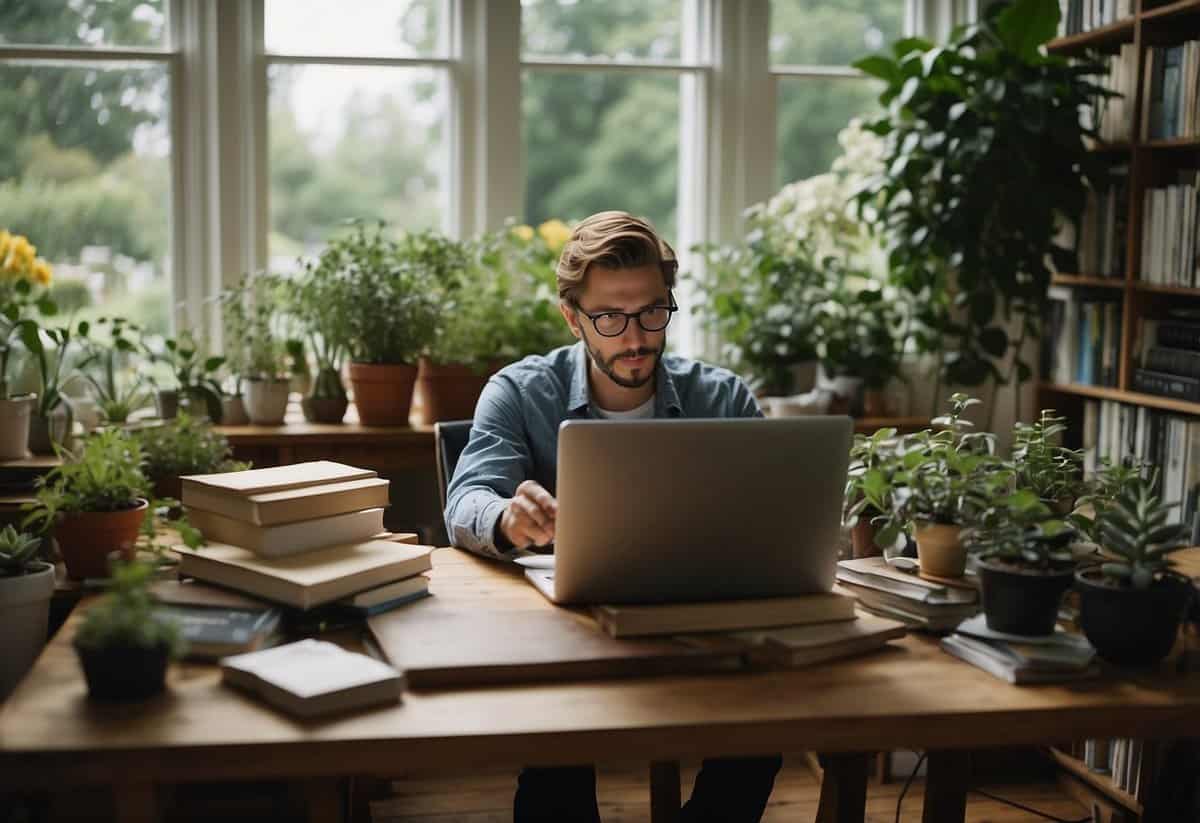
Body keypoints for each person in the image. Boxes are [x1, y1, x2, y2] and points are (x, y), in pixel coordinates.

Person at [444, 210, 781, 823]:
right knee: (556, 754)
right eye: (609, 318)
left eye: (653, 312)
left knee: (762, 736)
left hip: (699, 635)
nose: (635, 337)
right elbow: (465, 500)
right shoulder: (519, 392)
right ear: (572, 316)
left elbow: (768, 525)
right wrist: (505, 520)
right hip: (564, 640)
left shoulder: (724, 398)